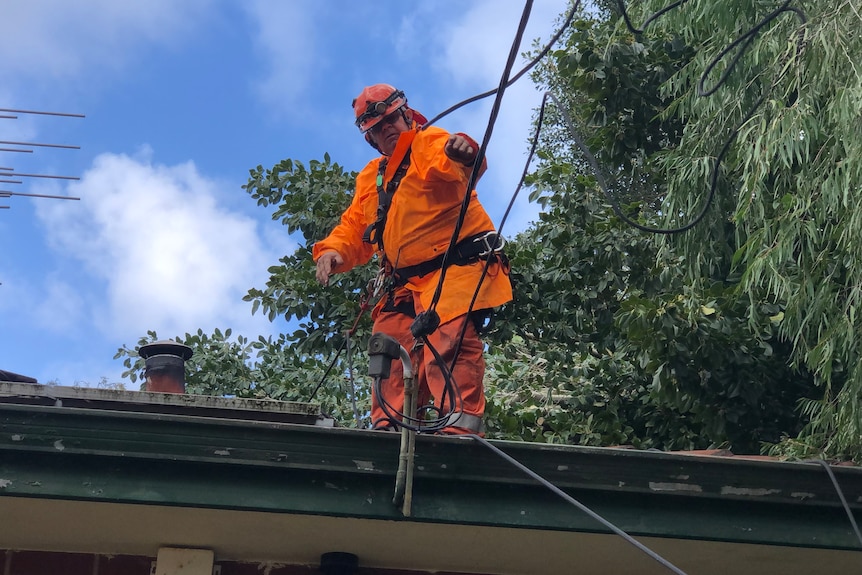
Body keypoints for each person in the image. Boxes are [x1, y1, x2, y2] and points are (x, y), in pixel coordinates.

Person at [312, 84, 512, 435]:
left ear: (406, 115)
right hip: (403, 286)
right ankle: (388, 431)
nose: (386, 129)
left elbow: (459, 163)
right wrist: (334, 251)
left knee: (447, 344)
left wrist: (463, 151)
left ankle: (460, 433)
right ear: (369, 138)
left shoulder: (428, 143)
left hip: (453, 271)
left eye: (390, 120)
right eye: (376, 128)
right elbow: (355, 226)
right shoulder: (372, 177)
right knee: (387, 348)